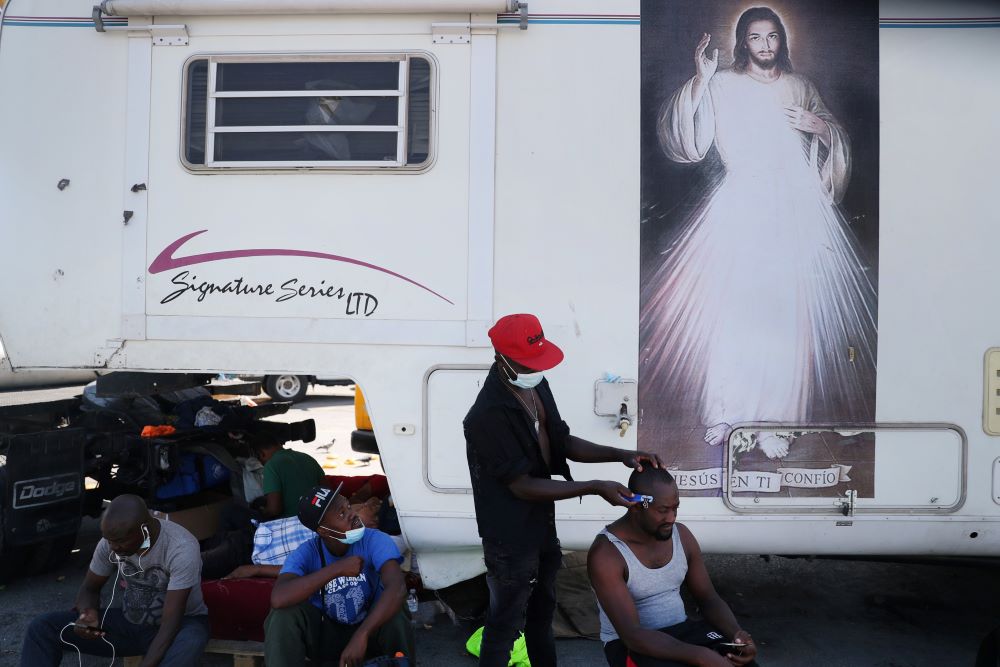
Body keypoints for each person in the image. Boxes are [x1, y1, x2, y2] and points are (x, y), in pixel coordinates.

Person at [641, 6, 877, 458]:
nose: (765, 46)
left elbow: (834, 140)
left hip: (794, 208)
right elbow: (688, 143)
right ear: (743, 43)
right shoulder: (723, 84)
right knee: (733, 313)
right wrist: (699, 79)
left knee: (785, 318)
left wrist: (821, 127)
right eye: (755, 38)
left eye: (771, 37)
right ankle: (725, 415)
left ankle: (776, 423)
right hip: (742, 204)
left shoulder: (800, 87)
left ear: (781, 41)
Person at [465, 313, 664, 667]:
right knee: (504, 626)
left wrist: (620, 454)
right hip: (509, 539)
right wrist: (592, 486)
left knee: (542, 614)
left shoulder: (534, 384)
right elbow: (522, 486)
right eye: (528, 363)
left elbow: (561, 440)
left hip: (540, 526)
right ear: (501, 358)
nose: (537, 369)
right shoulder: (486, 415)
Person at [588, 468, 759, 667]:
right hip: (632, 645)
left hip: (682, 633)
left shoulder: (682, 535)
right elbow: (632, 635)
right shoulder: (607, 554)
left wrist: (736, 635)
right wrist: (700, 656)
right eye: (662, 510)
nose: (671, 518)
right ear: (636, 506)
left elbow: (708, 598)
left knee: (743, 663)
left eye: (675, 508)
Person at [20, 495, 209, 666]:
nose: (113, 547)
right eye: (109, 541)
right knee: (42, 628)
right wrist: (87, 615)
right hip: (131, 624)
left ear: (144, 530)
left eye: (120, 542)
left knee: (191, 640)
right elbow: (90, 588)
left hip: (180, 625)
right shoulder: (110, 542)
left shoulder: (181, 548)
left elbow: (170, 623)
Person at [264, 483, 413, 667]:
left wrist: (362, 634)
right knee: (283, 615)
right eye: (341, 513)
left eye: (348, 506)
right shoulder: (307, 552)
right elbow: (279, 598)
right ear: (323, 530)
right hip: (326, 636)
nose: (351, 514)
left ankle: (400, 663)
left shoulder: (374, 539)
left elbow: (397, 587)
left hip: (370, 630)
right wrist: (337, 569)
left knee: (396, 608)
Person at [255, 434, 325, 519]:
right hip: (318, 519)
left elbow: (274, 510)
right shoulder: (308, 458)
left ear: (261, 454)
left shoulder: (271, 465)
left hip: (292, 524)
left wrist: (262, 511)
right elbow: (327, 491)